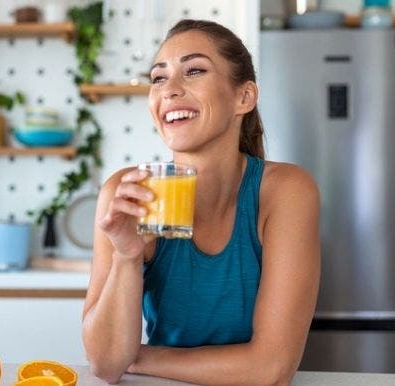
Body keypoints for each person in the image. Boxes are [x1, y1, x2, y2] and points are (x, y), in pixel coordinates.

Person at [82, 19, 320, 386]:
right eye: (158, 78)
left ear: (244, 97)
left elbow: (271, 369)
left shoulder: (286, 191)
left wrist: (142, 357)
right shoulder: (126, 195)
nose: (169, 90)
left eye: (193, 71)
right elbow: (108, 363)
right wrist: (127, 255)